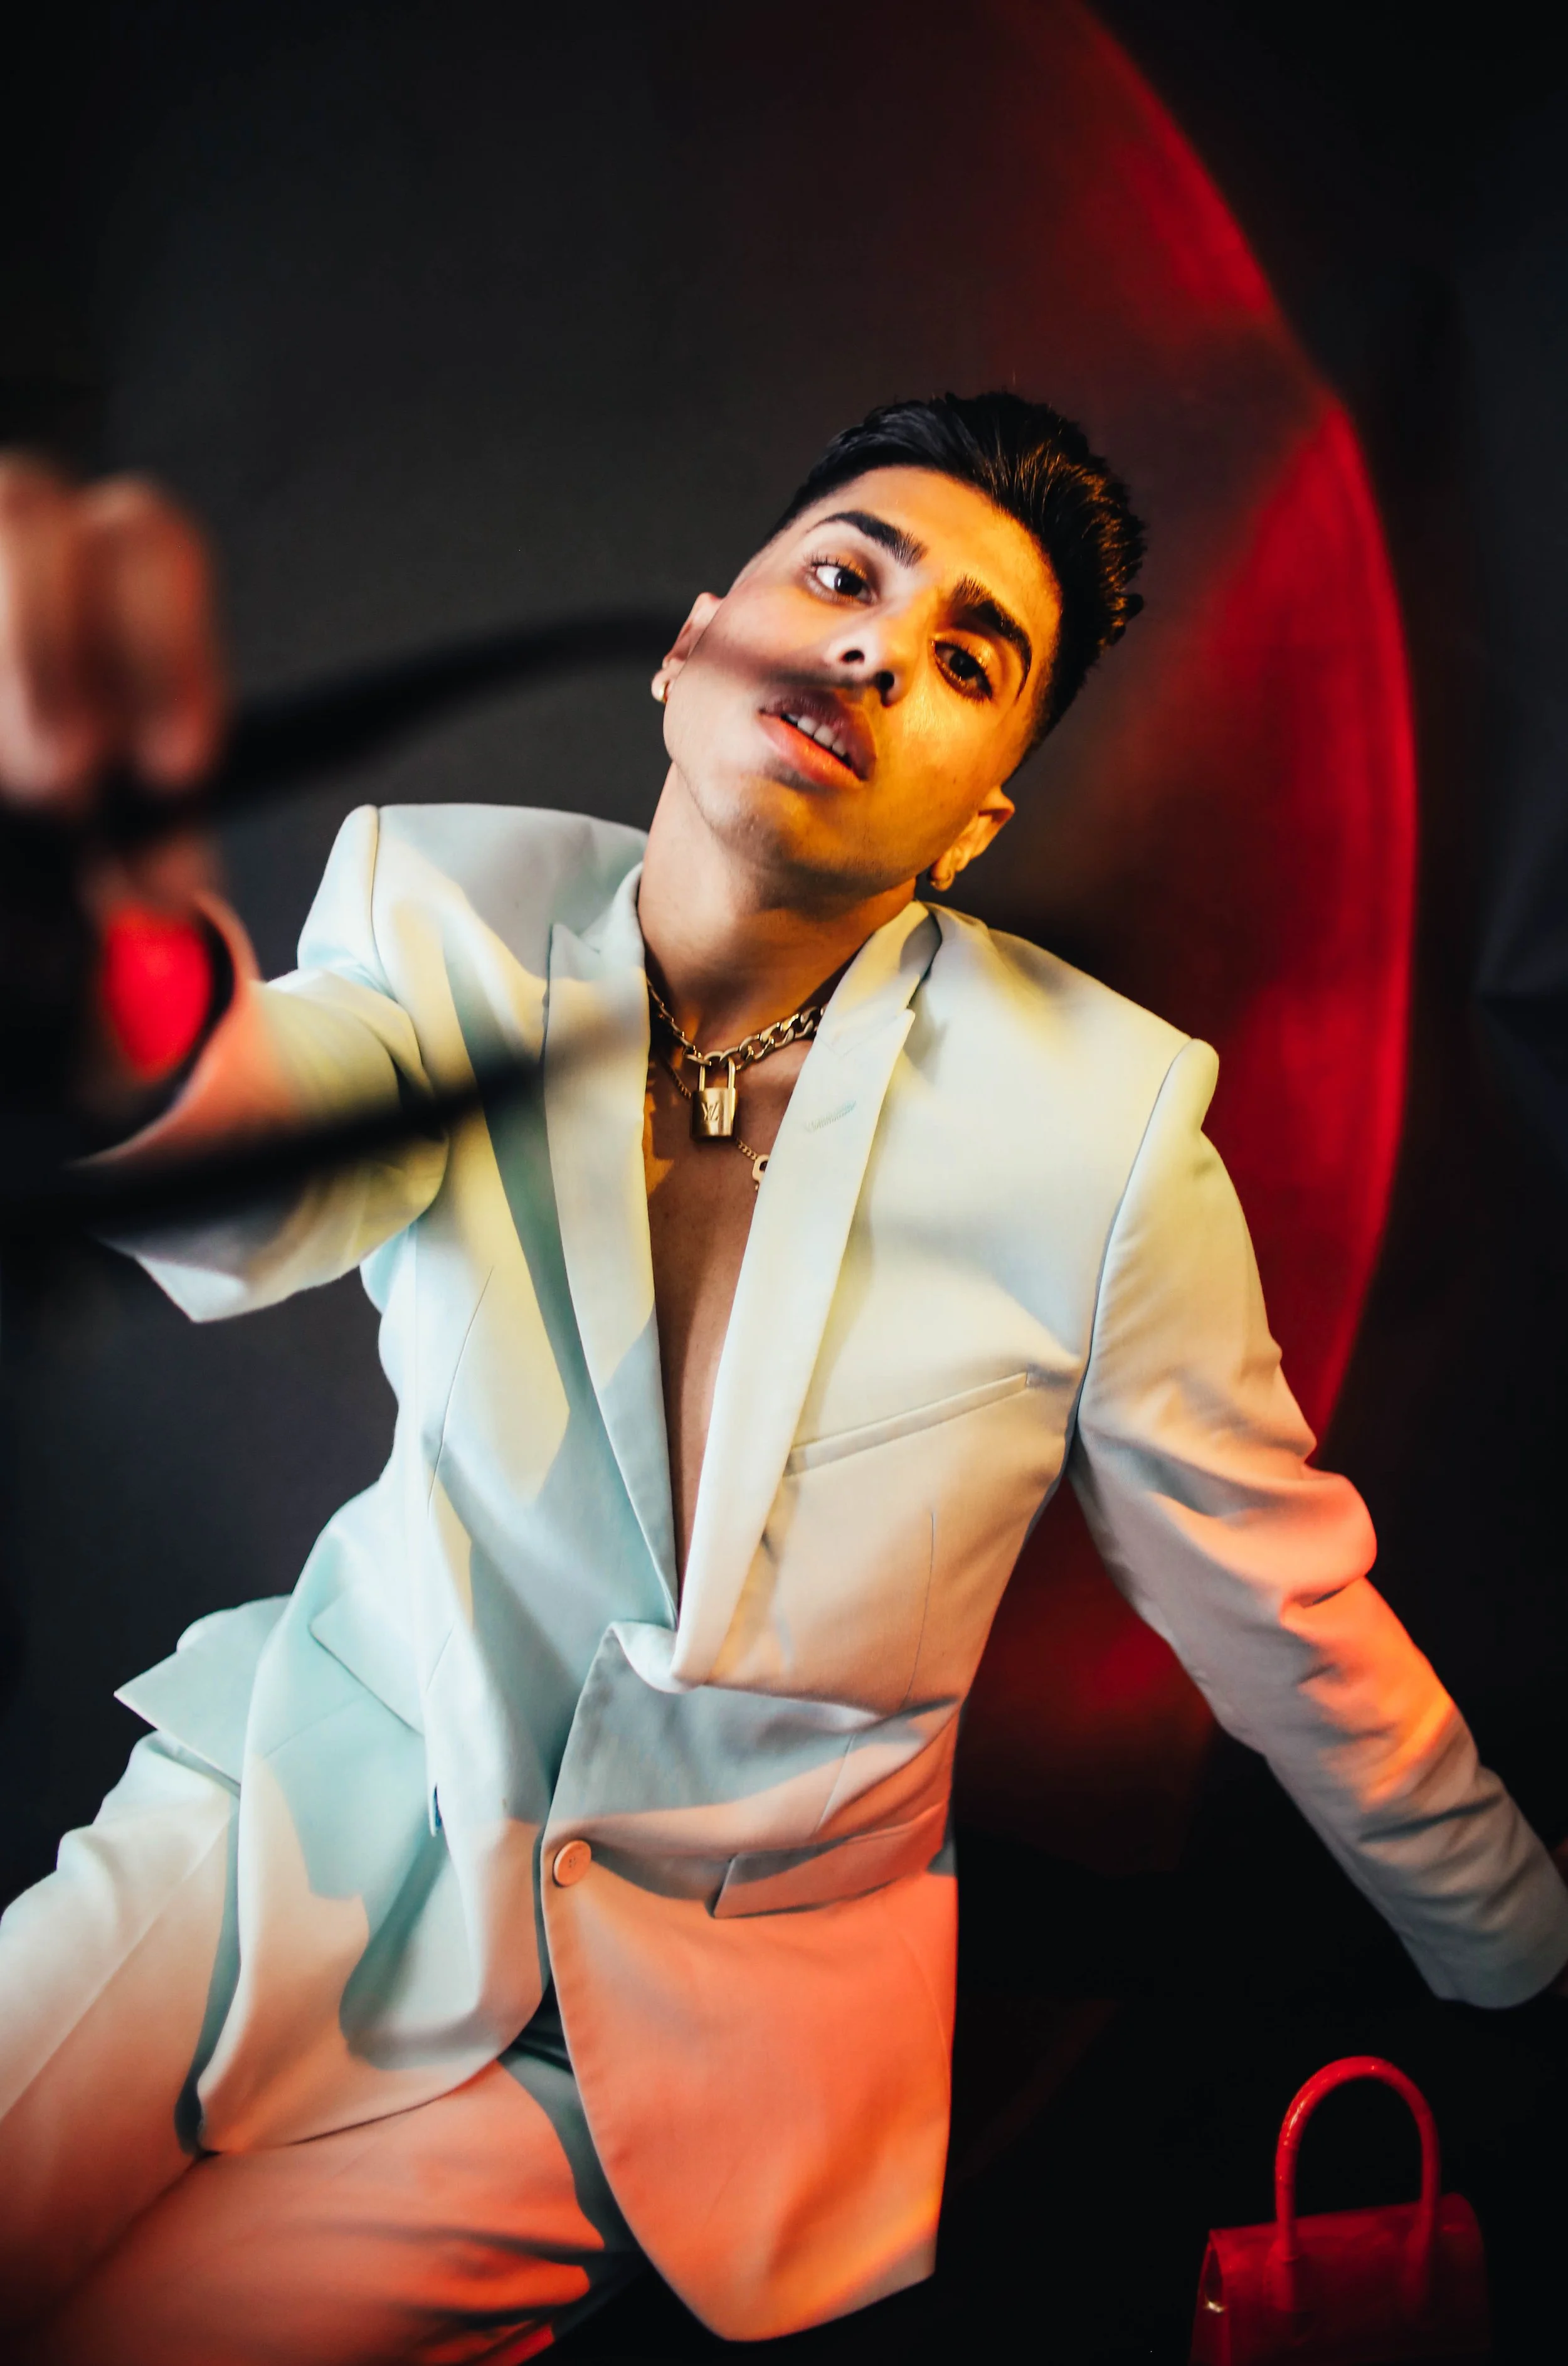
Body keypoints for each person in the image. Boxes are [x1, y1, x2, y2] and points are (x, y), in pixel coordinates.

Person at [1, 393, 1564, 2364]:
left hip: (654, 2021)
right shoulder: (442, 911)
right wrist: (116, 996)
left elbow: (1270, 1598)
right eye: (842, 578)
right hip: (294, 1816)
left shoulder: (1097, 1131)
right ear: (691, 646)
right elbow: (267, 1167)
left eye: (962, 661)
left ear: (976, 816)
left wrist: (1518, 1954)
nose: (872, 653)